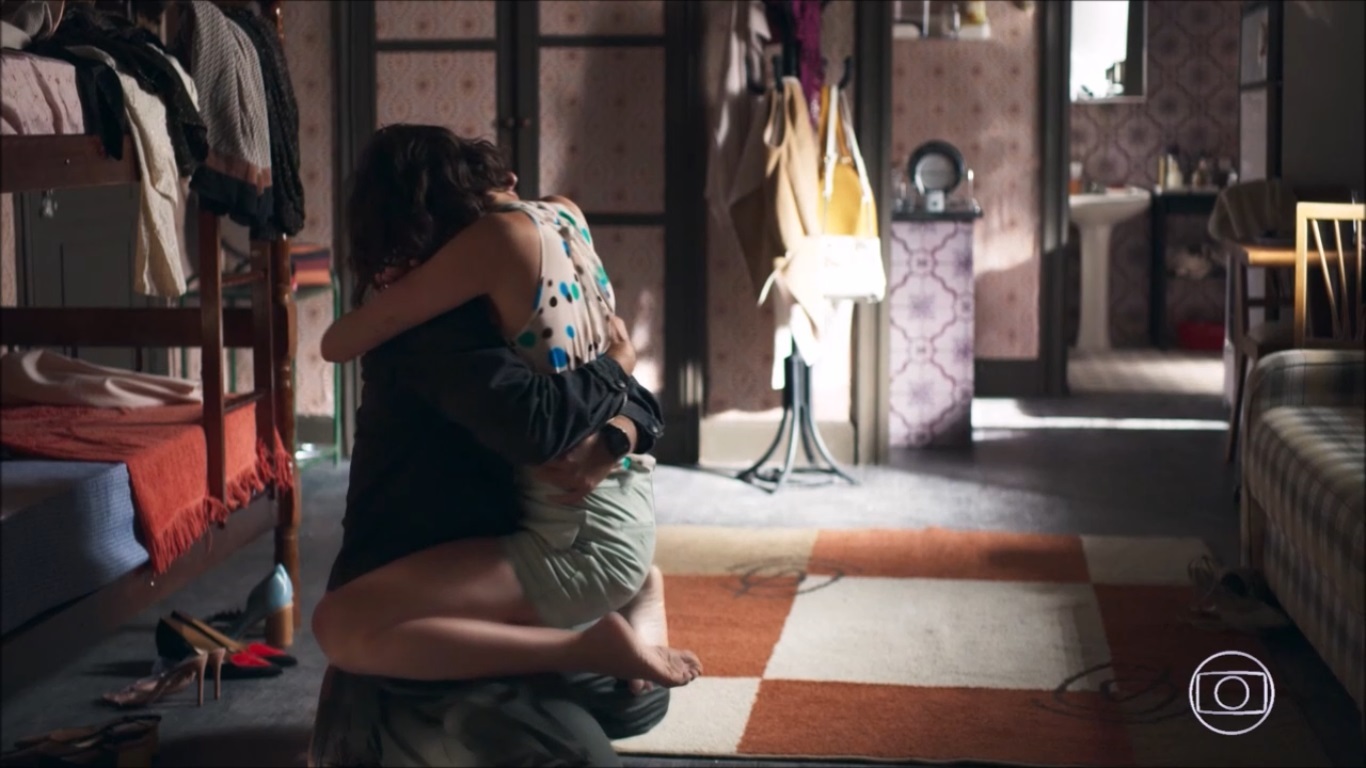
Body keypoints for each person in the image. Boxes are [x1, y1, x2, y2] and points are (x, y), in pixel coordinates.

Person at [311, 125, 701, 692]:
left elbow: (338, 341)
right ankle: (634, 587)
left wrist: (396, 287)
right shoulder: (565, 213)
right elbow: (612, 374)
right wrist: (621, 362)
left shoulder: (491, 241)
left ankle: (587, 645)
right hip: (625, 502)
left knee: (341, 625)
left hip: (573, 535)